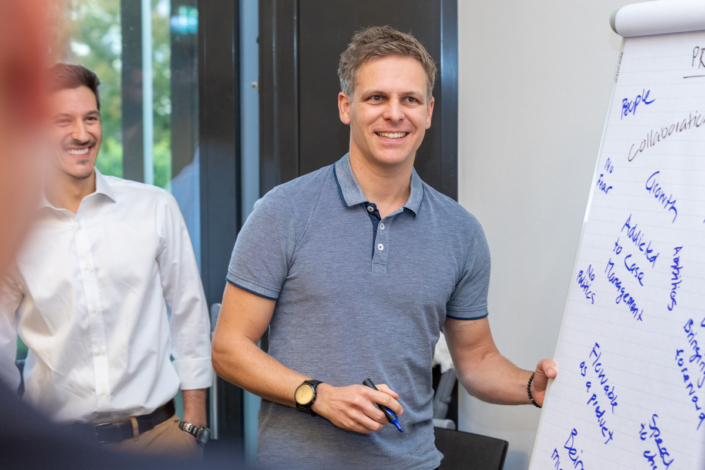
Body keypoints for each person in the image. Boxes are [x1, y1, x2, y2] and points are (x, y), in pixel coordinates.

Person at [212, 26, 558, 469]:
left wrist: (533, 387)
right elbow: (229, 347)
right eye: (376, 98)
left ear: (429, 111)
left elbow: (477, 360)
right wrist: (317, 396)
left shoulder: (461, 232)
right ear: (346, 107)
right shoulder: (284, 212)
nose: (394, 114)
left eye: (410, 99)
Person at [0, 63, 213, 456]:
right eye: (62, 121)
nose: (81, 134)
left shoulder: (153, 206)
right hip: (56, 448)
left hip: (159, 439)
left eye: (91, 118)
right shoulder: (14, 228)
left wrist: (194, 426)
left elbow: (189, 315)